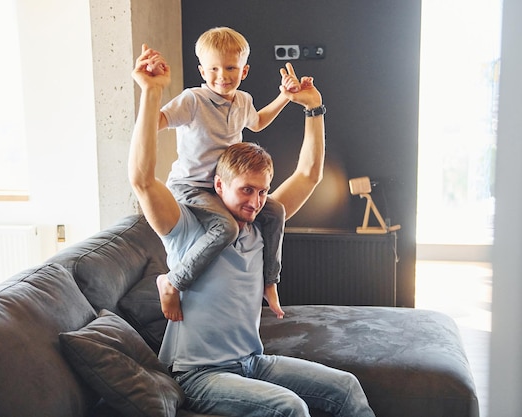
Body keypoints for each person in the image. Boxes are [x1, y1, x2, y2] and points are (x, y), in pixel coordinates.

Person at [130, 45, 376, 417]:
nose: (257, 201)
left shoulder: (262, 222)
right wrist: (150, 93)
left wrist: (313, 108)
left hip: (252, 361)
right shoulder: (186, 226)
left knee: (346, 387)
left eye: (262, 191)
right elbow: (143, 181)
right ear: (219, 187)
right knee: (289, 408)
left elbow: (309, 174)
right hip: (198, 374)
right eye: (247, 190)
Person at [154, 27, 300, 322]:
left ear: (244, 70)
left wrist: (284, 97)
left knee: (275, 211)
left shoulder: (243, 100)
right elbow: (157, 121)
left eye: (231, 67)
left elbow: (257, 123)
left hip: (225, 187)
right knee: (226, 228)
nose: (222, 75)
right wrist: (151, 89)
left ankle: (270, 282)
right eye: (214, 69)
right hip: (192, 186)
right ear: (201, 70)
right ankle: (172, 282)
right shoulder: (192, 100)